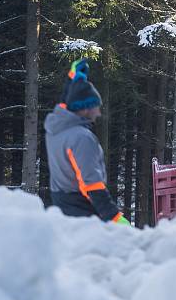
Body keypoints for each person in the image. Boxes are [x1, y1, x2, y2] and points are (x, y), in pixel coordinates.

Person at [45, 59, 129, 225]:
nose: (98, 113)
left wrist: (73, 78)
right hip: (83, 214)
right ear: (85, 109)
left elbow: (65, 103)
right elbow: (91, 183)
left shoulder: (56, 129)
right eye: (95, 106)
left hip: (63, 207)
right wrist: (114, 217)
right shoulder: (82, 138)